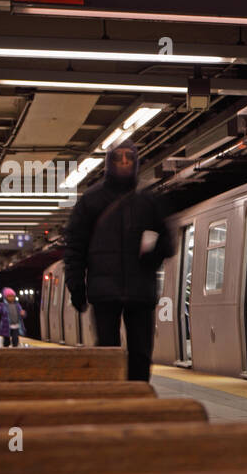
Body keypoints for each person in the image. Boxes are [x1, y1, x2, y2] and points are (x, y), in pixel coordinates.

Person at [63, 142, 175, 381]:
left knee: (141, 353)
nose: (124, 162)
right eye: (118, 158)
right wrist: (76, 286)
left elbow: (168, 241)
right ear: (109, 163)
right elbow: (75, 247)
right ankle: (110, 399)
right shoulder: (91, 201)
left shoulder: (148, 200)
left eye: (128, 157)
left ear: (135, 162)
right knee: (107, 351)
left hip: (140, 291)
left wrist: (153, 255)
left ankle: (137, 401)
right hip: (105, 292)